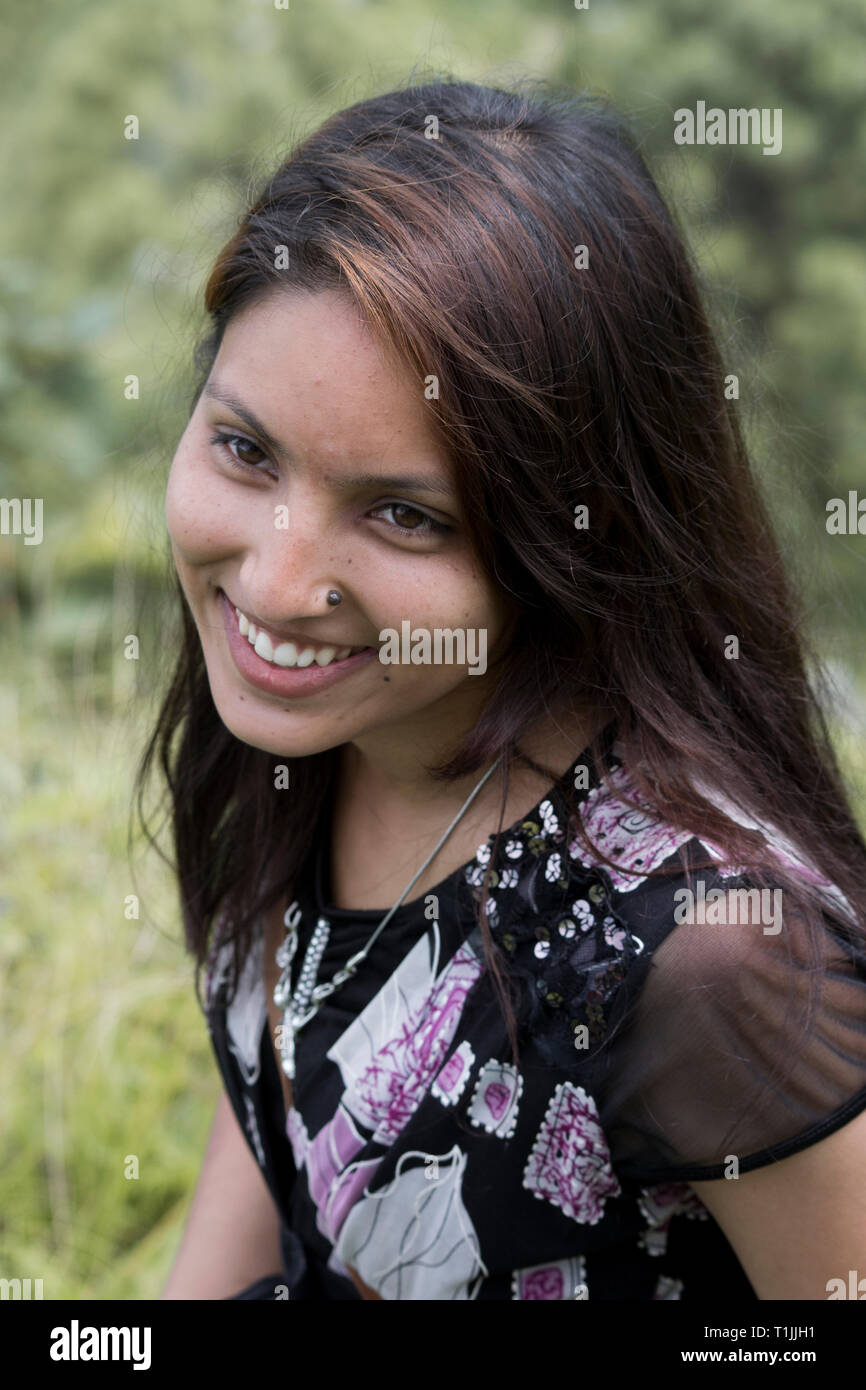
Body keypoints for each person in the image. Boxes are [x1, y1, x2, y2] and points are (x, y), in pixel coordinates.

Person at [141, 78, 866, 1301]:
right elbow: (286, 1135)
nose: (273, 582)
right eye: (244, 448)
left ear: (566, 541)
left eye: (402, 515)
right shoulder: (316, 735)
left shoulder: (707, 959)